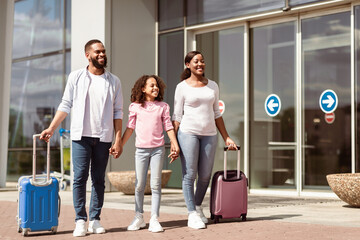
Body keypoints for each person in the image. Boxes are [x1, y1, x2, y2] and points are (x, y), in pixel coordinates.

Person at [40, 39, 123, 237]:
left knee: (98, 180)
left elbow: (118, 112)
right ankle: (80, 220)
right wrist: (52, 128)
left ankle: (95, 219)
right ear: (88, 55)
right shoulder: (76, 76)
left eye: (103, 51)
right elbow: (65, 104)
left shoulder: (114, 81)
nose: (102, 54)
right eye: (98, 52)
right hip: (80, 137)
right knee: (79, 179)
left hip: (103, 137)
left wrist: (118, 140)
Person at [172, 51, 237, 229]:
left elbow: (217, 114)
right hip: (188, 133)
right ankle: (191, 213)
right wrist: (173, 141)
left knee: (205, 175)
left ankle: (198, 206)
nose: (200, 64)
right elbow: (177, 116)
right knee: (189, 174)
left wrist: (227, 137)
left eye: (202, 61)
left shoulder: (213, 86)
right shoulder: (182, 87)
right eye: (196, 61)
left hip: (210, 134)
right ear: (188, 65)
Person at [121, 75, 180, 233]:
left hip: (157, 150)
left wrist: (175, 144)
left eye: (157, 86)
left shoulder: (163, 106)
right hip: (141, 150)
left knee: (155, 185)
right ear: (143, 89)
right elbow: (130, 128)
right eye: (152, 85)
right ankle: (138, 217)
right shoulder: (135, 106)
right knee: (139, 185)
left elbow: (168, 127)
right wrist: (119, 143)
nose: (156, 88)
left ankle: (154, 219)